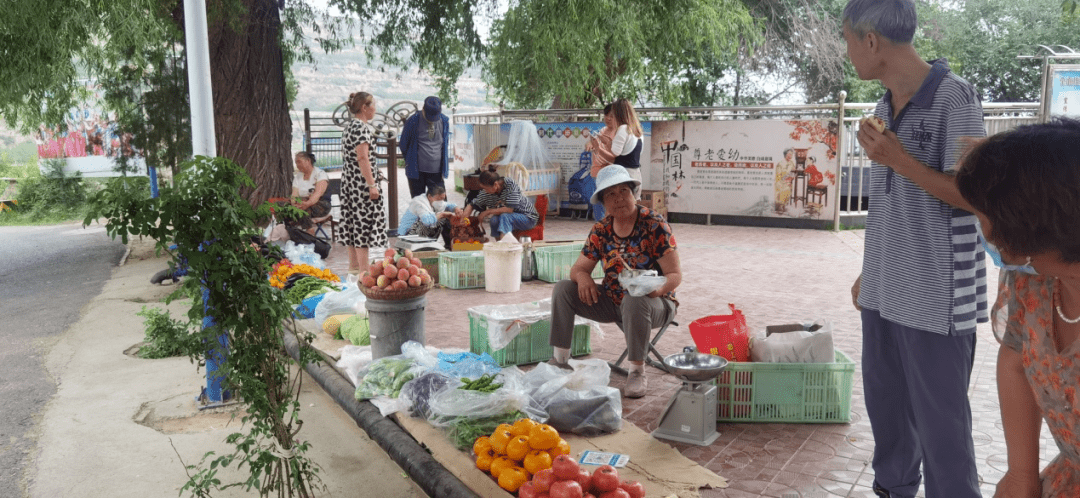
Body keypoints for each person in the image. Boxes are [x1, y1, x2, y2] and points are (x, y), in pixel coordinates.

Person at [843, 0, 987, 496]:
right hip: (884, 292)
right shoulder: (884, 106)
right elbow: (891, 201)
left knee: (943, 432)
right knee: (888, 417)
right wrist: (872, 269)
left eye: (847, 41)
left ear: (871, 41)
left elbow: (974, 196)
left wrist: (900, 160)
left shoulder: (956, 98)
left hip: (935, 299)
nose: (847, 54)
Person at [954, 118, 1080, 498]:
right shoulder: (1033, 279)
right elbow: (1016, 356)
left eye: (982, 214)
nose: (980, 228)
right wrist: (1021, 473)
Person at [547, 165, 681, 398]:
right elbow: (579, 267)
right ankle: (560, 361)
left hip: (656, 303)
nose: (618, 198)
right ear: (603, 202)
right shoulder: (601, 230)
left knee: (634, 299)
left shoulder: (655, 225)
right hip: (611, 301)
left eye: (624, 191)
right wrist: (583, 277)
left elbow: (675, 275)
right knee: (563, 289)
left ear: (633, 194)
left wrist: (656, 289)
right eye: (611, 194)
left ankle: (637, 371)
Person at [339, 92, 388, 275]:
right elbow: (363, 158)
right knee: (362, 225)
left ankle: (354, 268)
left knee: (352, 224)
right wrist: (371, 184)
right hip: (360, 185)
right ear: (364, 108)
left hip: (349, 183)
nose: (375, 108)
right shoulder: (361, 128)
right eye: (373, 105)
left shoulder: (350, 127)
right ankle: (363, 272)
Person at [462, 168, 537, 240]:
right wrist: (464, 219)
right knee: (494, 220)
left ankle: (504, 247)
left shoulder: (509, 184)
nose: (484, 191)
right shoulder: (486, 193)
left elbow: (509, 209)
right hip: (509, 217)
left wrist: (487, 211)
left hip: (528, 217)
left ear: (495, 184)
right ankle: (499, 244)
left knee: (505, 216)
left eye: (486, 188)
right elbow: (471, 204)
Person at [399, 96, 450, 199]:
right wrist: (410, 159)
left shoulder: (444, 121)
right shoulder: (413, 120)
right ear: (423, 109)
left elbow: (445, 143)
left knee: (440, 203)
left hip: (437, 171)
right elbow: (403, 144)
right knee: (419, 203)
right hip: (417, 171)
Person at [589, 99, 643, 184]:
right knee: (635, 198)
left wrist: (598, 148)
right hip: (636, 175)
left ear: (618, 113)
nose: (611, 117)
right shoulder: (637, 130)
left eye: (613, 114)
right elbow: (624, 153)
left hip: (624, 176)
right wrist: (608, 143)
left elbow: (613, 157)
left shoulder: (623, 129)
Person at [399, 185, 461, 250]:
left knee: (442, 216)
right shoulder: (419, 203)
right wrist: (442, 214)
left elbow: (448, 205)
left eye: (442, 199)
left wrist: (456, 208)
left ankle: (446, 245)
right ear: (429, 196)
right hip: (409, 237)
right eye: (438, 199)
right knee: (439, 218)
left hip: (420, 232)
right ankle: (422, 246)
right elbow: (427, 221)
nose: (441, 202)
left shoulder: (434, 201)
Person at [291, 151, 331, 222]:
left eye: (299, 162)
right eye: (296, 163)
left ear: (308, 161)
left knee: (303, 211)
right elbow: (294, 194)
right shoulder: (298, 177)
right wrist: (294, 203)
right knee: (281, 206)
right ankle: (290, 230)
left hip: (320, 204)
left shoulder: (320, 174)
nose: (297, 165)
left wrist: (307, 203)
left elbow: (318, 194)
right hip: (303, 202)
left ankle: (310, 230)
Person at [586, 103, 616, 178]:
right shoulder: (602, 130)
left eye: (611, 116)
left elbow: (614, 156)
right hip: (597, 172)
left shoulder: (620, 133)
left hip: (611, 173)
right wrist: (591, 144)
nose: (608, 118)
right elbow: (595, 144)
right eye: (606, 115)